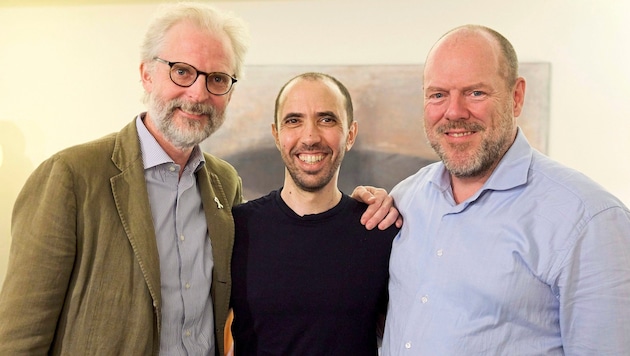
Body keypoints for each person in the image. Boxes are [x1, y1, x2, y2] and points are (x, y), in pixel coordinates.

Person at [0, 3, 399, 355]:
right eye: (182, 71)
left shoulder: (224, 186)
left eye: (217, 79)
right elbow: (19, 338)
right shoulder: (71, 177)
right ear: (146, 75)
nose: (197, 93)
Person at [382, 25, 630, 355]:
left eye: (476, 93)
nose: (454, 112)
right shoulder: (405, 198)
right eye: (438, 94)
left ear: (516, 97)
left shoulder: (590, 219)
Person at [229, 72, 401, 355]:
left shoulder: (379, 229)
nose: (309, 137)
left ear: (351, 134)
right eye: (294, 120)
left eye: (327, 119)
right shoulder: (238, 229)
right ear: (276, 135)